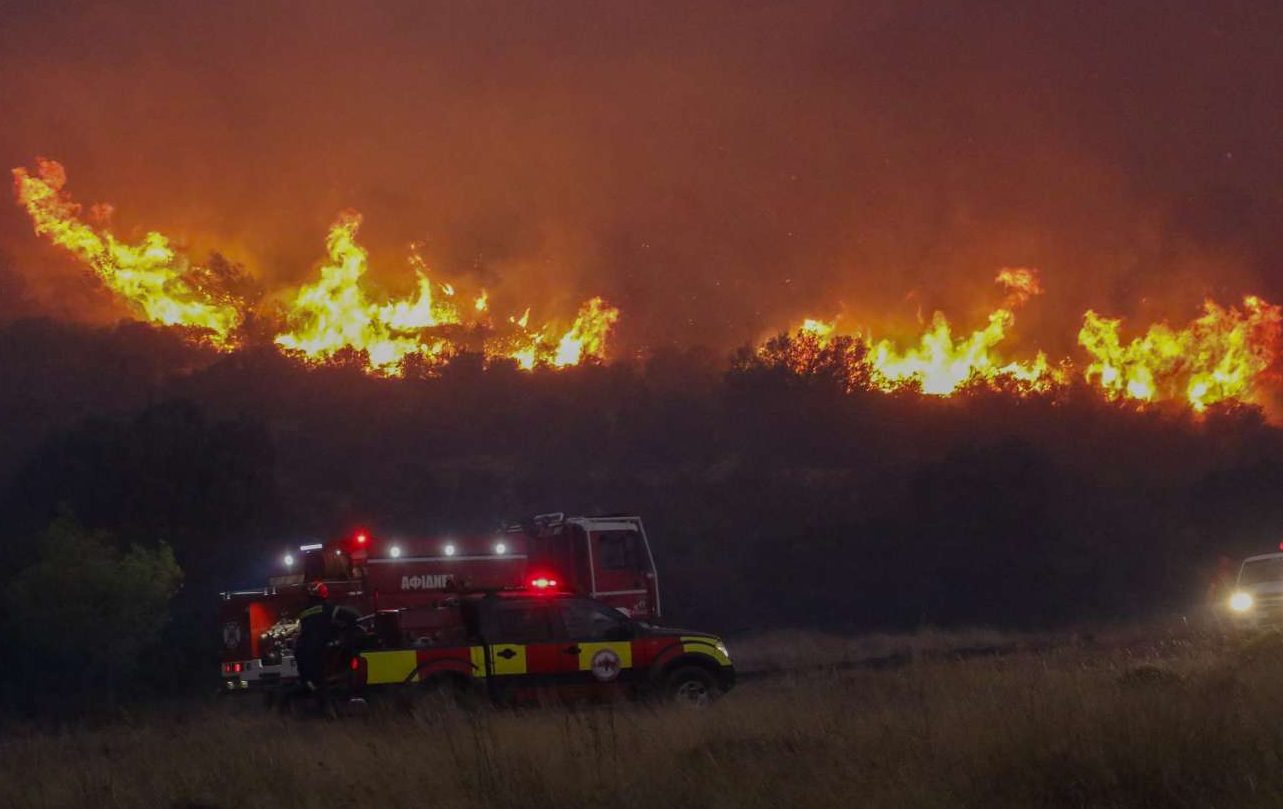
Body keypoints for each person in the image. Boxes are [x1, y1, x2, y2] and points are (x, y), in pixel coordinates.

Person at [290, 580, 358, 716]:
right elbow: (352, 617)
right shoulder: (328, 608)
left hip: (302, 651)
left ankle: (313, 702)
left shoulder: (303, 613)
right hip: (320, 650)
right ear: (323, 594)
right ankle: (328, 712)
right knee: (322, 682)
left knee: (311, 682)